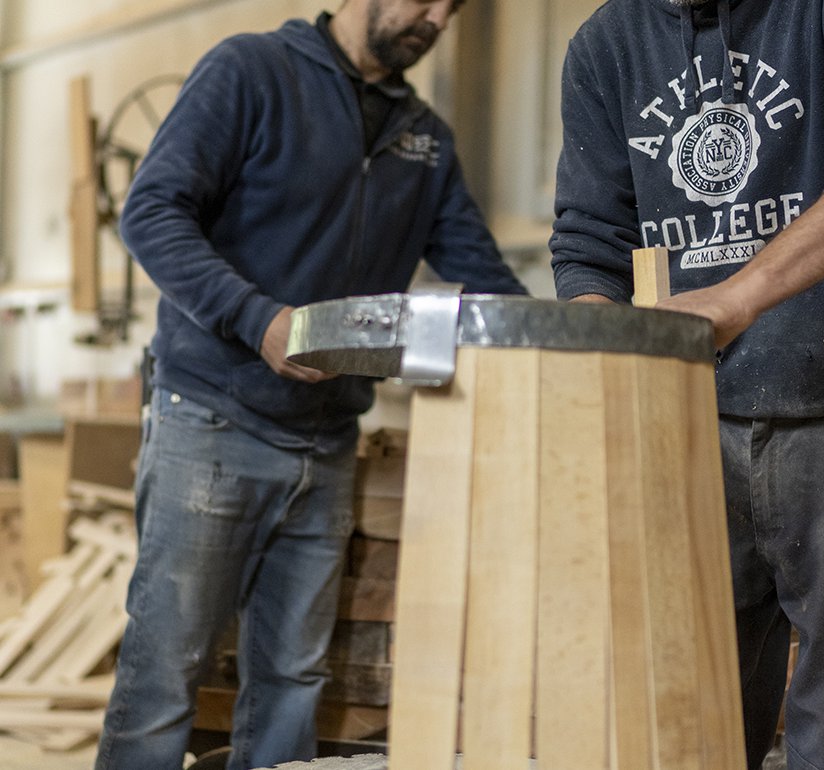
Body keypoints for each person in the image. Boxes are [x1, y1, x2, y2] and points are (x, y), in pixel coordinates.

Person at [95, 1, 526, 768]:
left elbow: (482, 278)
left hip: (328, 437)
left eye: (453, 8)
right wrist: (255, 319)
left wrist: (571, 342)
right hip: (214, 420)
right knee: (166, 668)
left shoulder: (424, 136)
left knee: (293, 679)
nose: (437, 18)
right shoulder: (251, 71)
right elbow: (151, 212)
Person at [549, 1, 824, 768]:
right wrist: (605, 348)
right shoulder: (605, 45)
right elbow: (590, 241)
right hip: (685, 418)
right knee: (688, 723)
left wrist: (742, 293)